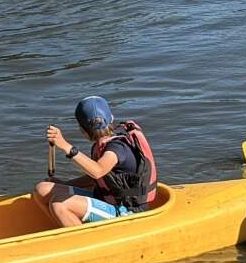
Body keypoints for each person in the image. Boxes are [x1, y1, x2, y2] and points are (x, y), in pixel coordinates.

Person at [34, 96, 159, 229]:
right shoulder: (101, 146)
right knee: (43, 189)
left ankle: (83, 238)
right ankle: (65, 226)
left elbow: (98, 171)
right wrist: (66, 184)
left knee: (59, 203)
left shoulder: (117, 148)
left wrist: (66, 146)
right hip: (105, 199)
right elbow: (98, 178)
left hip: (126, 211)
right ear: (111, 118)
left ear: (82, 130)